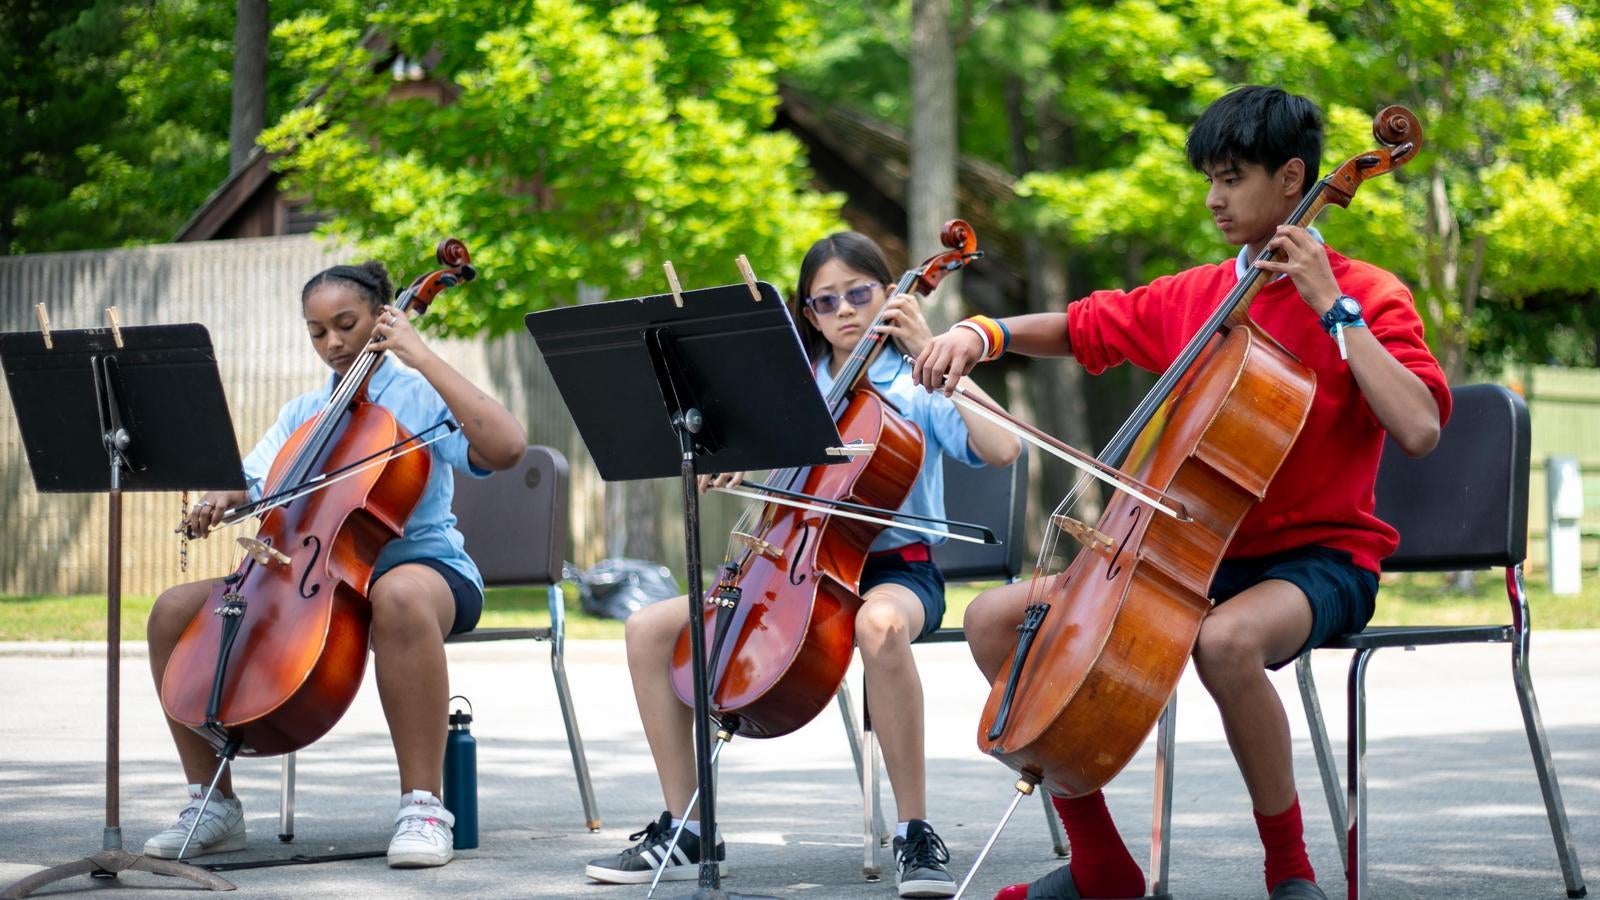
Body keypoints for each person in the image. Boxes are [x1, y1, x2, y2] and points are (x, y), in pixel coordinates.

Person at [912, 86, 1451, 900]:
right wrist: (980, 334)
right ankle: (1101, 866)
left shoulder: (1367, 295)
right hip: (1185, 559)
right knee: (996, 622)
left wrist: (1331, 311)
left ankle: (1290, 871)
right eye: (1210, 178)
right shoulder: (1200, 297)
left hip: (1319, 562)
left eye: (1232, 178)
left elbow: (1418, 427)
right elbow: (1083, 326)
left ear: (1292, 178)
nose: (1214, 198)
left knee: (1226, 643)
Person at [583, 232, 1021, 897]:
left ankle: (914, 830)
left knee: (880, 625)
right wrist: (734, 460)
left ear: (888, 294)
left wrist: (935, 353)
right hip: (791, 567)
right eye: (826, 301)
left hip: (895, 572)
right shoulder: (799, 387)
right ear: (808, 315)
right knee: (648, 628)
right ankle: (689, 826)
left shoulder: (920, 381)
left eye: (860, 292)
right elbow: (778, 475)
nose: (846, 310)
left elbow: (1004, 448)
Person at [142, 260, 527, 868]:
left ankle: (423, 807)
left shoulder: (420, 396)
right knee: (171, 612)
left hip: (426, 572)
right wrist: (219, 497)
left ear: (382, 316)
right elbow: (249, 481)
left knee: (396, 595)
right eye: (318, 332)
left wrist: (419, 353)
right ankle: (212, 801)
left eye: (346, 324)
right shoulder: (306, 414)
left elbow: (506, 446)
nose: (334, 343)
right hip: (313, 577)